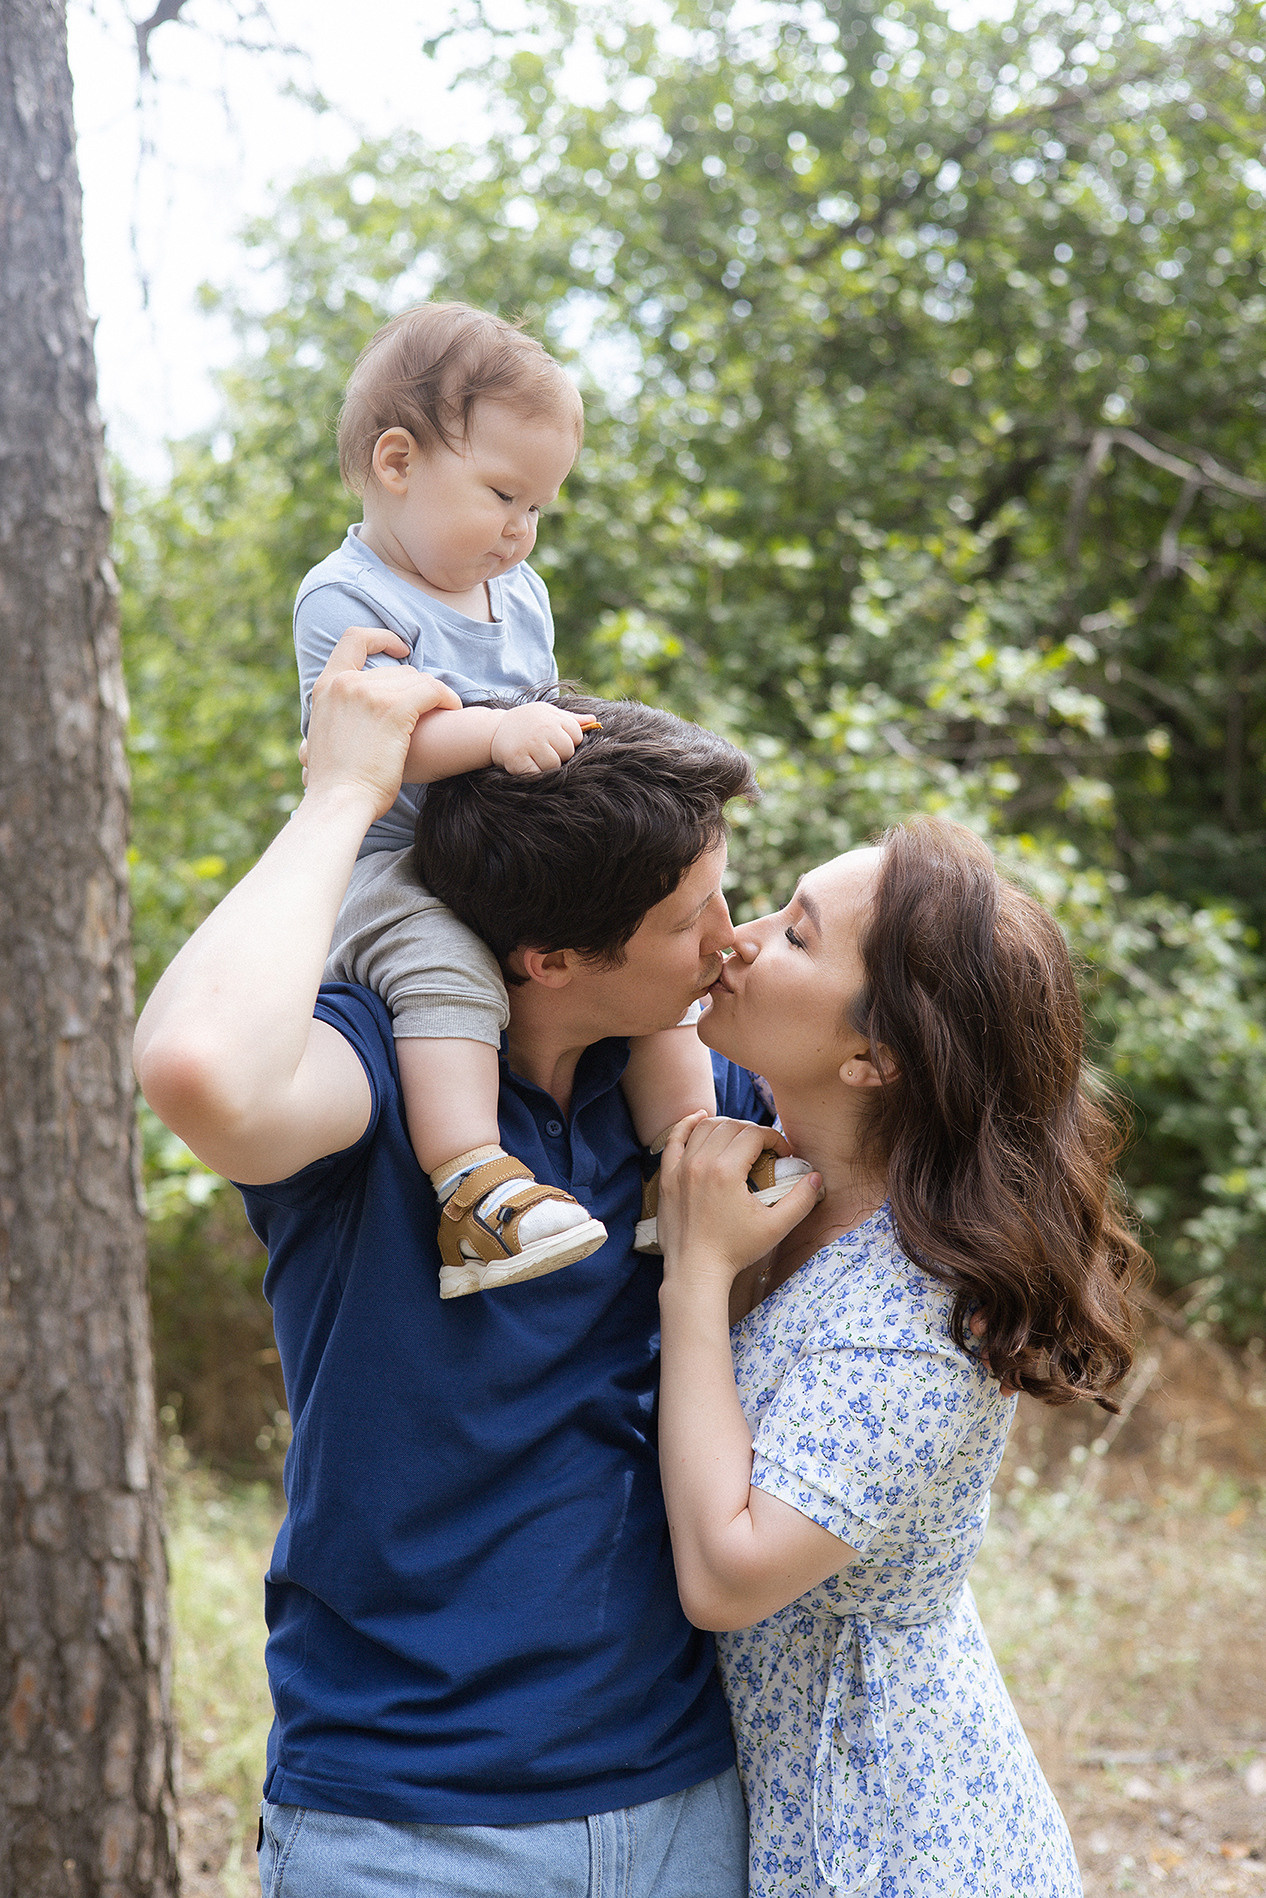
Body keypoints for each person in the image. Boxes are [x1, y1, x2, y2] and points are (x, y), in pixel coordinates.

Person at [133, 630, 778, 1898]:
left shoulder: (687, 1092)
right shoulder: (368, 1077)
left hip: (689, 1798)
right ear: (549, 960)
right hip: (406, 1828)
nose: (732, 933)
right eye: (689, 912)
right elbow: (199, 1064)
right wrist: (344, 794)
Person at [653, 820, 1145, 1897]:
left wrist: (693, 1278)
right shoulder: (794, 1192)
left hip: (897, 1842)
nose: (737, 938)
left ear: (875, 1056)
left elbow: (730, 1573)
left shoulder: (920, 1312)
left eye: (794, 934)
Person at [295, 300, 724, 1297]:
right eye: (502, 496)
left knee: (637, 955)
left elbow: (541, 710)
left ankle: (685, 1157)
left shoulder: (515, 589)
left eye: (539, 508)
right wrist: (494, 734)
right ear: (397, 463)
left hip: (500, 850)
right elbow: (368, 747)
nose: (521, 534)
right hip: (392, 861)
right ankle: (474, 1184)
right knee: (452, 973)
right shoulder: (347, 595)